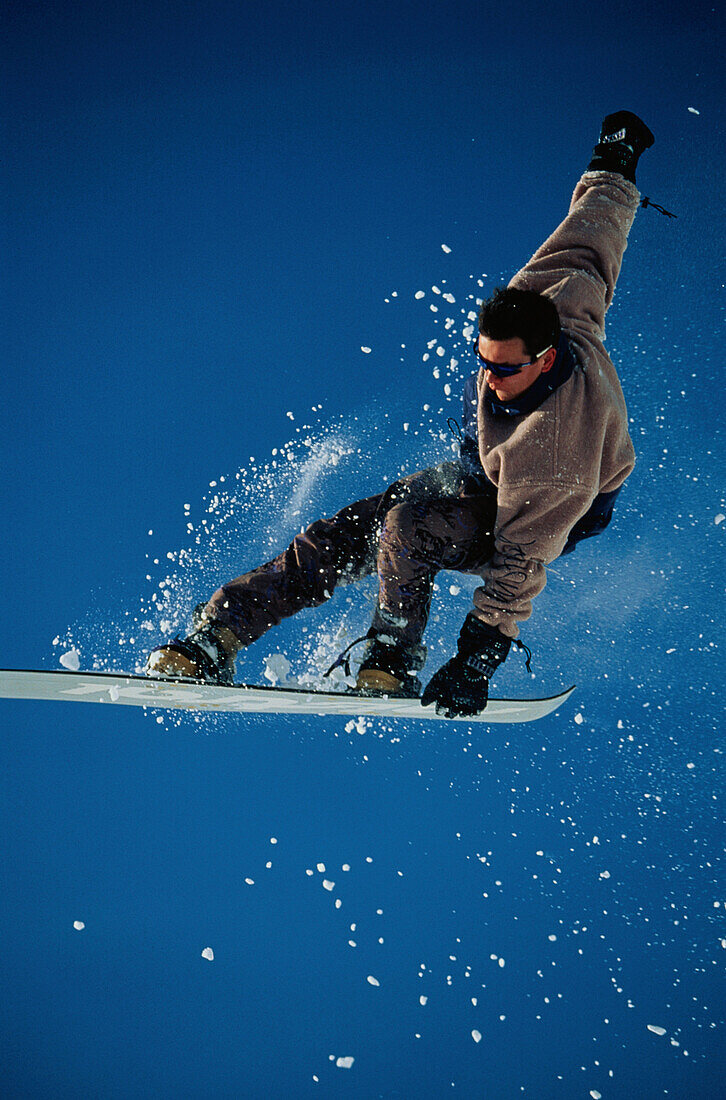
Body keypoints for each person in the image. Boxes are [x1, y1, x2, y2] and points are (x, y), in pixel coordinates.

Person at [147, 111, 654, 718]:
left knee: (410, 528)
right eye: (482, 361)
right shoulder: (555, 297)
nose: (490, 382)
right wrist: (615, 162)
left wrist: (477, 657)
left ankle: (390, 659)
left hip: (544, 516)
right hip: (482, 477)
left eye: (506, 370)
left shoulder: (555, 450)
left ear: (546, 362)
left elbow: (522, 559)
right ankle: (219, 635)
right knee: (348, 532)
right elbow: (592, 236)